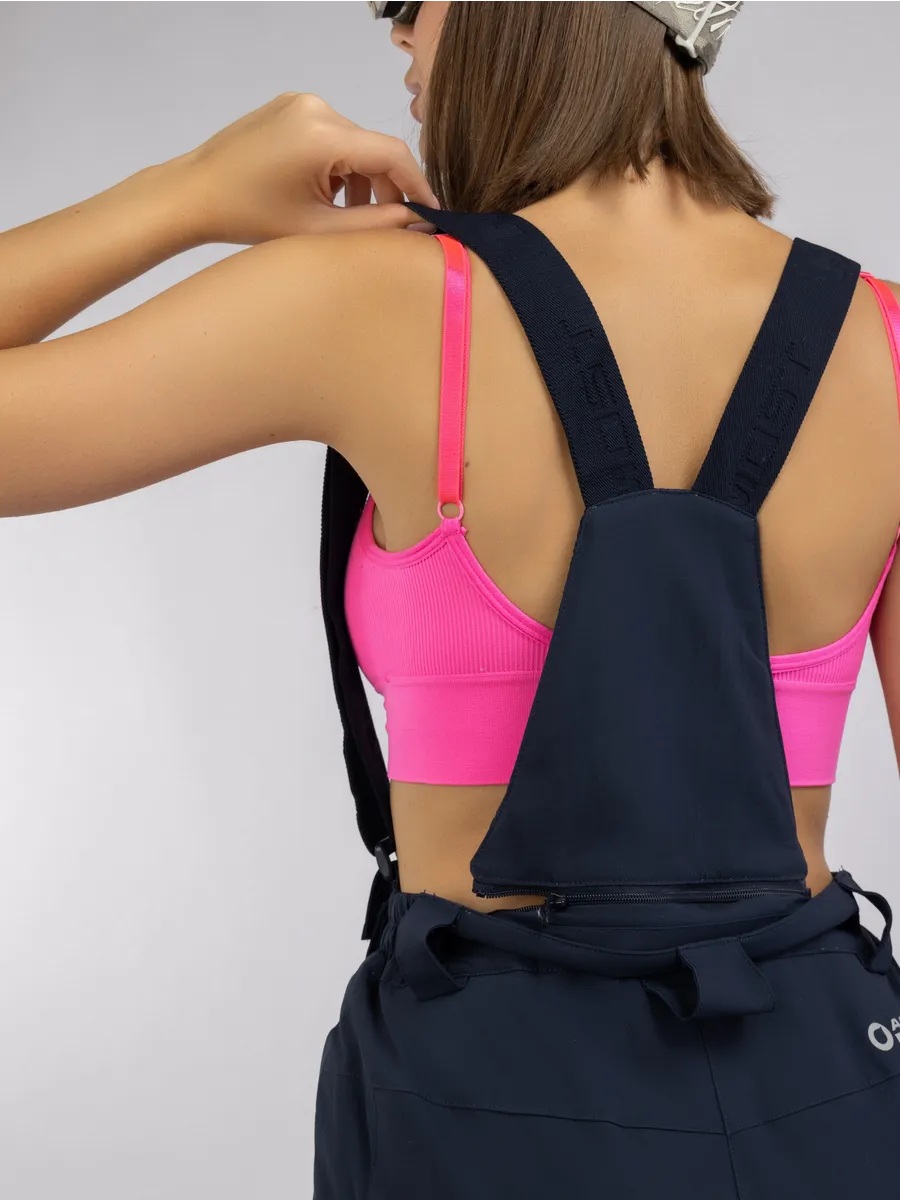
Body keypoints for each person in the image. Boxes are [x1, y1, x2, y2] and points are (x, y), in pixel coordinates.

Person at [4, 0, 900, 1195]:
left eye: (403, 1)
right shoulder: (886, 341)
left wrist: (189, 191)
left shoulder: (380, 300)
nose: (396, 36)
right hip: (829, 1093)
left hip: (492, 1110)